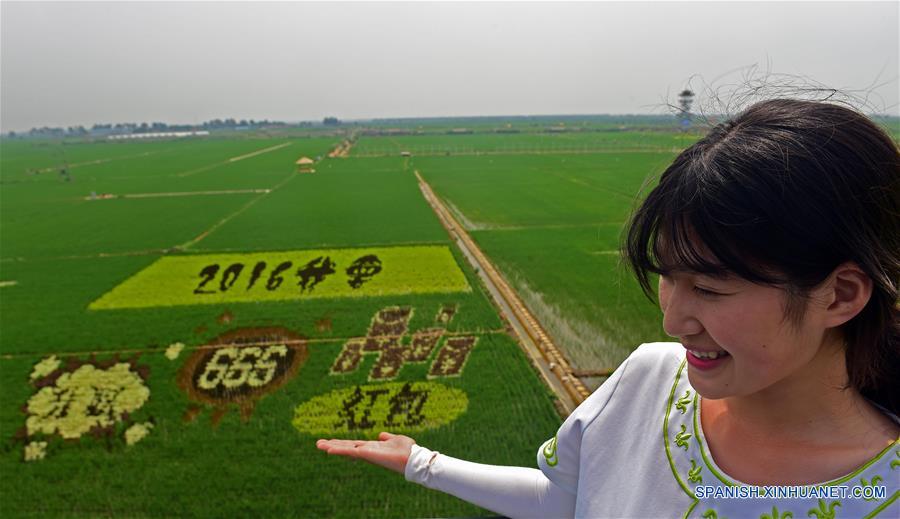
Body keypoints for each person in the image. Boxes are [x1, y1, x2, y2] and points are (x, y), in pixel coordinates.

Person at [316, 99, 900, 518]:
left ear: (842, 295)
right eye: (668, 279)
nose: (673, 321)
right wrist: (421, 462)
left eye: (710, 289)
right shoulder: (650, 380)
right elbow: (567, 498)